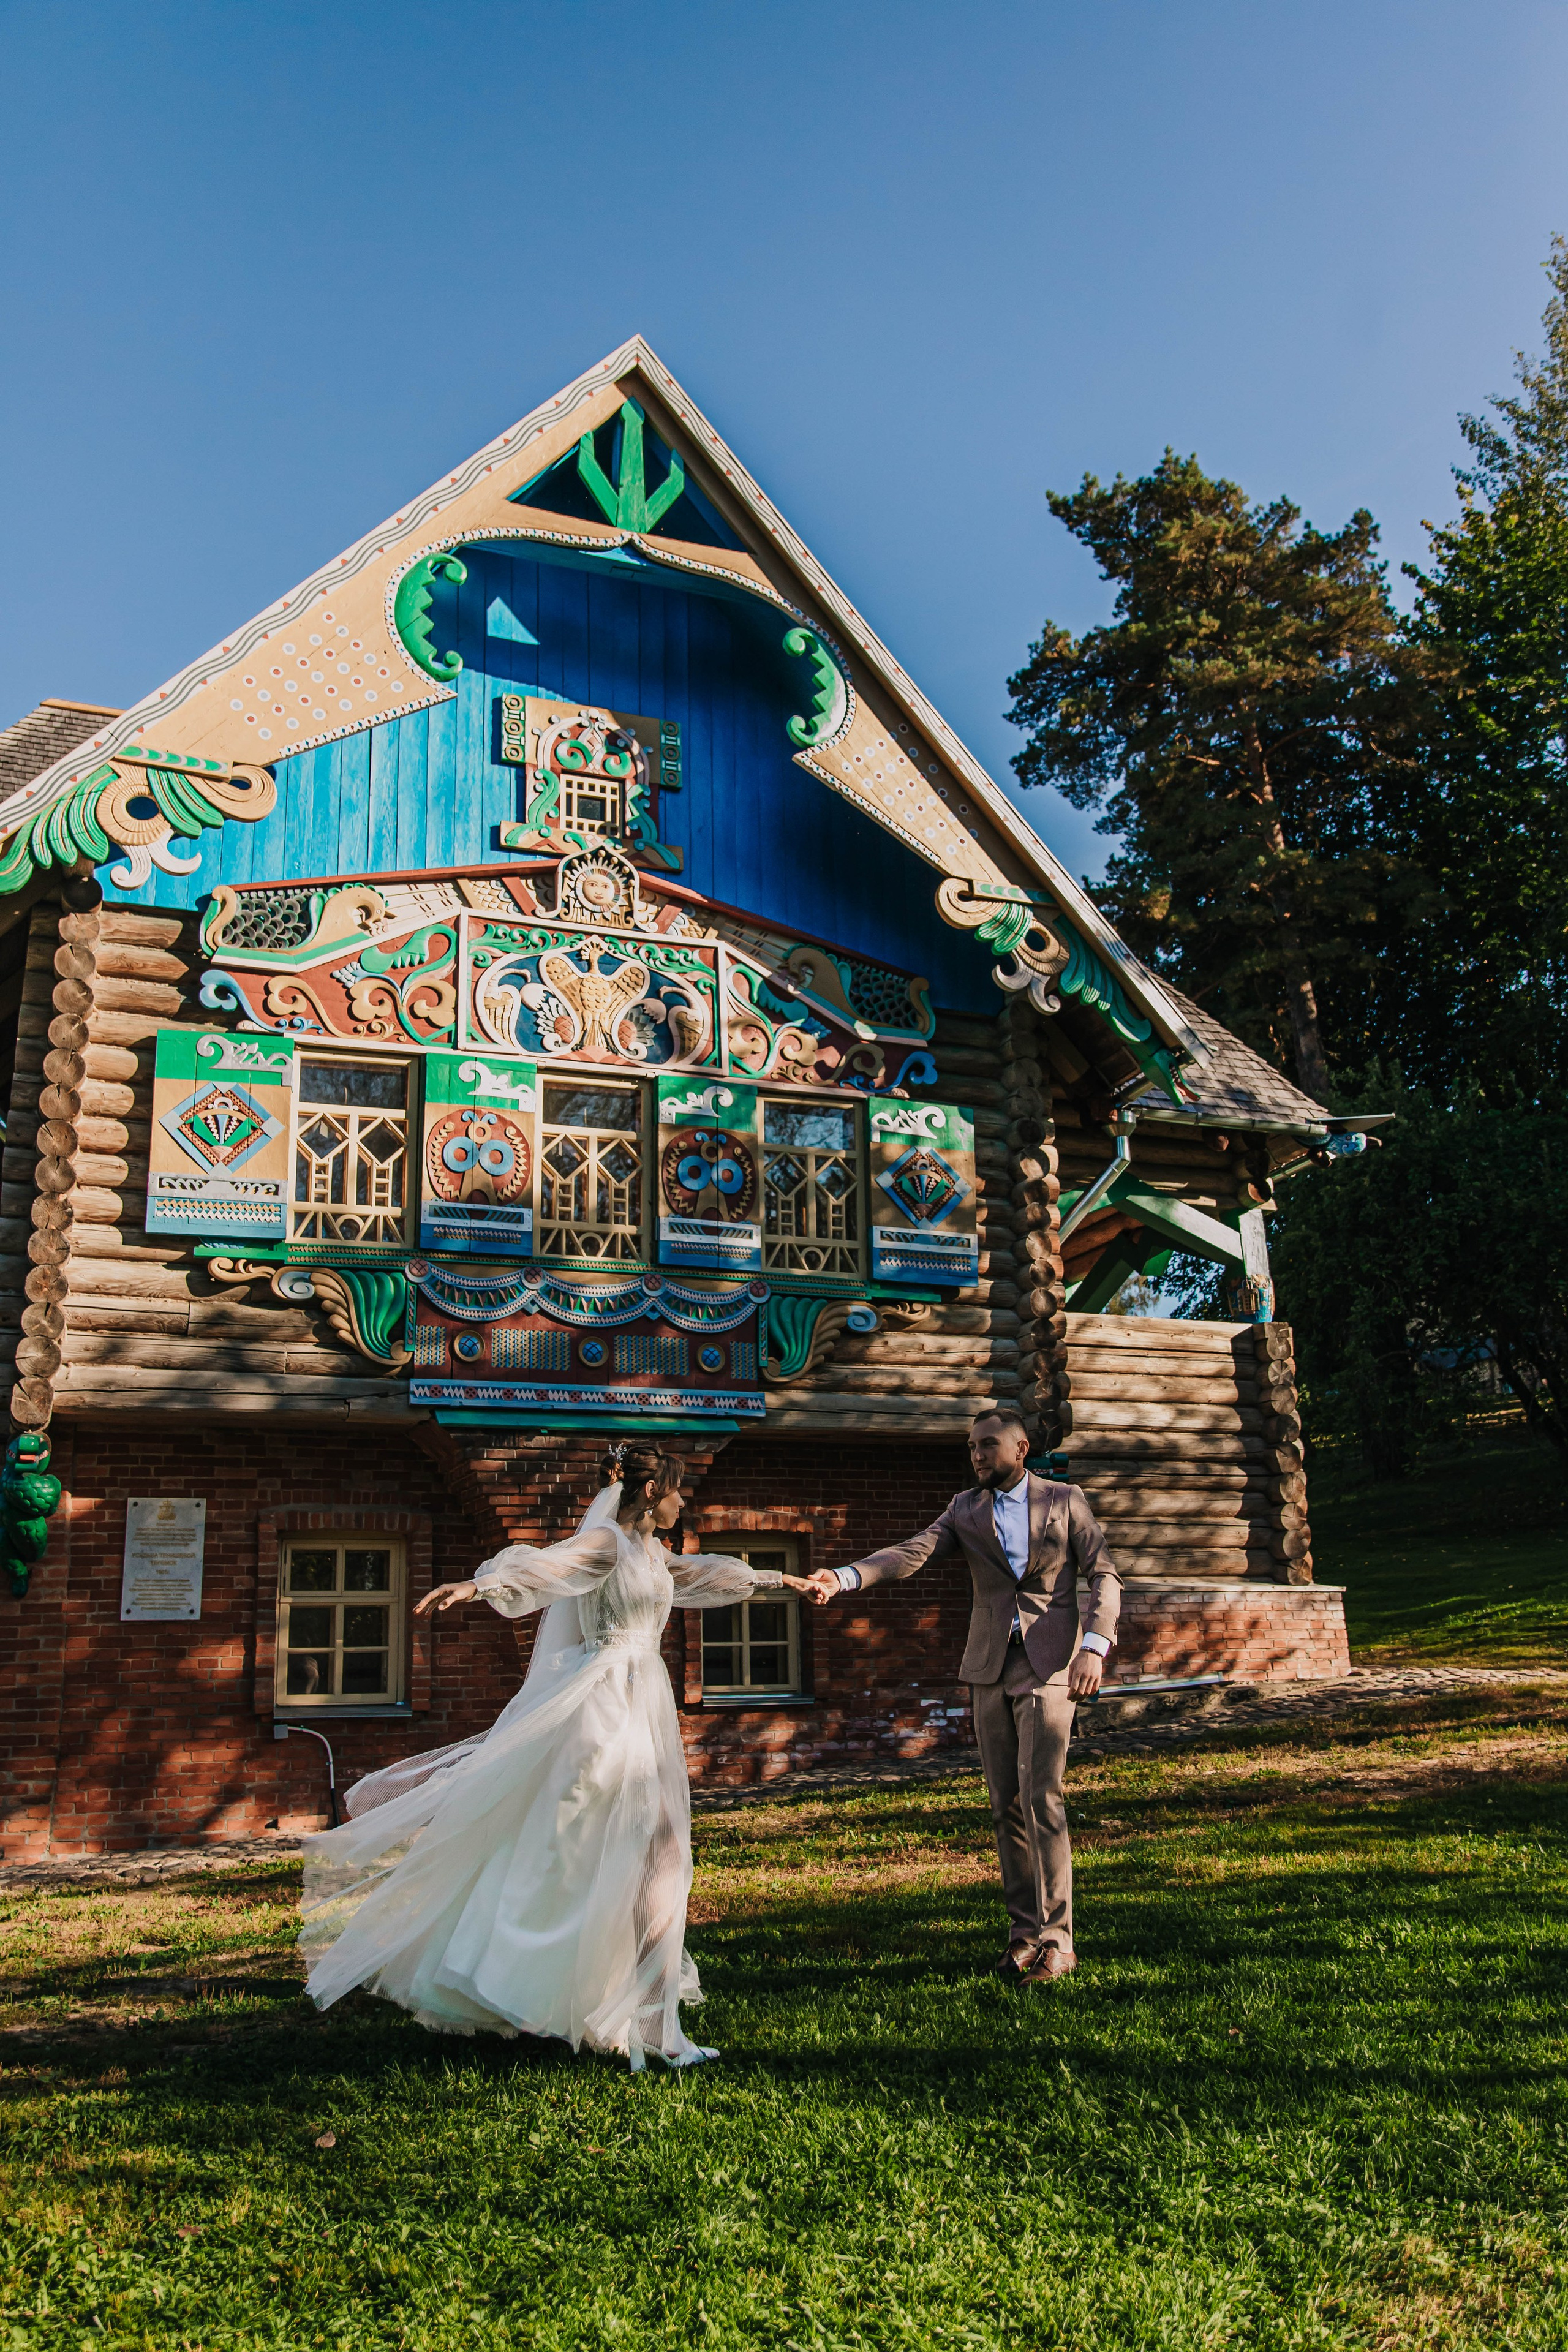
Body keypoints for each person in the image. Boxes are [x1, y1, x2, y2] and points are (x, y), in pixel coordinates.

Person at [297, 1442, 818, 2070]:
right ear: (651, 1493)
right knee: (587, 1850)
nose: (685, 1503)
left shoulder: (654, 1553)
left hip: (641, 1703)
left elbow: (702, 1573)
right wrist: (479, 1584)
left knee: (657, 1858)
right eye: (679, 1491)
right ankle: (551, 1983)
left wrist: (779, 1579)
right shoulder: (606, 1544)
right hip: (604, 1710)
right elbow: (549, 1567)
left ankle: (652, 2020)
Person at [805, 1407, 1120, 1984]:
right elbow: (911, 1553)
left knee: (1040, 1797)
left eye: (987, 1445)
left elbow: (1104, 1574)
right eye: (971, 1446)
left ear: (1021, 1449)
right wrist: (846, 1576)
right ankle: (1024, 1935)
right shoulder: (965, 1509)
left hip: (1051, 1663)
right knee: (1005, 1806)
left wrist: (1094, 1646)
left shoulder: (1065, 1498)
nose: (976, 1455)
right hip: (989, 1667)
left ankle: (1059, 1941)